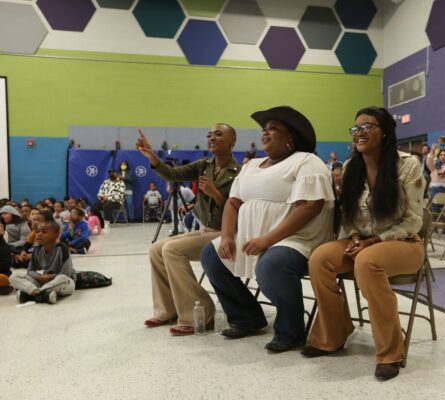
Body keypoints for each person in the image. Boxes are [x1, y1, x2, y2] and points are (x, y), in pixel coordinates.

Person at [300, 107, 424, 381]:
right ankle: (334, 333)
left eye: (367, 127)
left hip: (404, 243)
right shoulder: (349, 167)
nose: (359, 133)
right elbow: (348, 216)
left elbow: (414, 221)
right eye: (355, 129)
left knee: (369, 262)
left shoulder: (408, 164)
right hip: (362, 242)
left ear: (385, 133)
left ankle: (390, 351)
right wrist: (356, 237)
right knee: (320, 258)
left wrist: (373, 242)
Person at [200, 106, 334, 352]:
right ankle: (246, 316)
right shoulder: (252, 165)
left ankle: (291, 330)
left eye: (273, 129)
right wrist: (228, 236)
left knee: (273, 264)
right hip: (254, 237)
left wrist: (267, 240)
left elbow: (310, 207)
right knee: (211, 255)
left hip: (298, 240)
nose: (265, 133)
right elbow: (233, 202)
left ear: (290, 138)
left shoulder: (306, 161)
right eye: (264, 129)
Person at [136, 124, 240, 335]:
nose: (212, 137)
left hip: (227, 233)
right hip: (205, 230)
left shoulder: (240, 173)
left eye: (218, 134)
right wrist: (152, 157)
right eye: (209, 134)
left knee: (171, 250)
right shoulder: (204, 165)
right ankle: (168, 309)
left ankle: (201, 311)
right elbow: (173, 174)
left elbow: (241, 210)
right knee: (156, 249)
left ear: (232, 141)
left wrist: (215, 194)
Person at [10, 220, 76, 304]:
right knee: (13, 277)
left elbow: (66, 273)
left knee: (62, 278)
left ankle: (32, 294)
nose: (39, 234)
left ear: (55, 236)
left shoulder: (62, 248)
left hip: (64, 283)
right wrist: (39, 277)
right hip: (44, 282)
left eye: (44, 232)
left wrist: (51, 278)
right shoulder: (37, 250)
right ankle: (42, 294)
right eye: (37, 232)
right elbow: (30, 271)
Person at [426, 146, 445, 210]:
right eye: (441, 155)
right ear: (438, 157)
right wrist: (432, 151)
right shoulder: (434, 166)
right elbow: (429, 160)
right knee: (435, 209)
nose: (443, 157)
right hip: (435, 190)